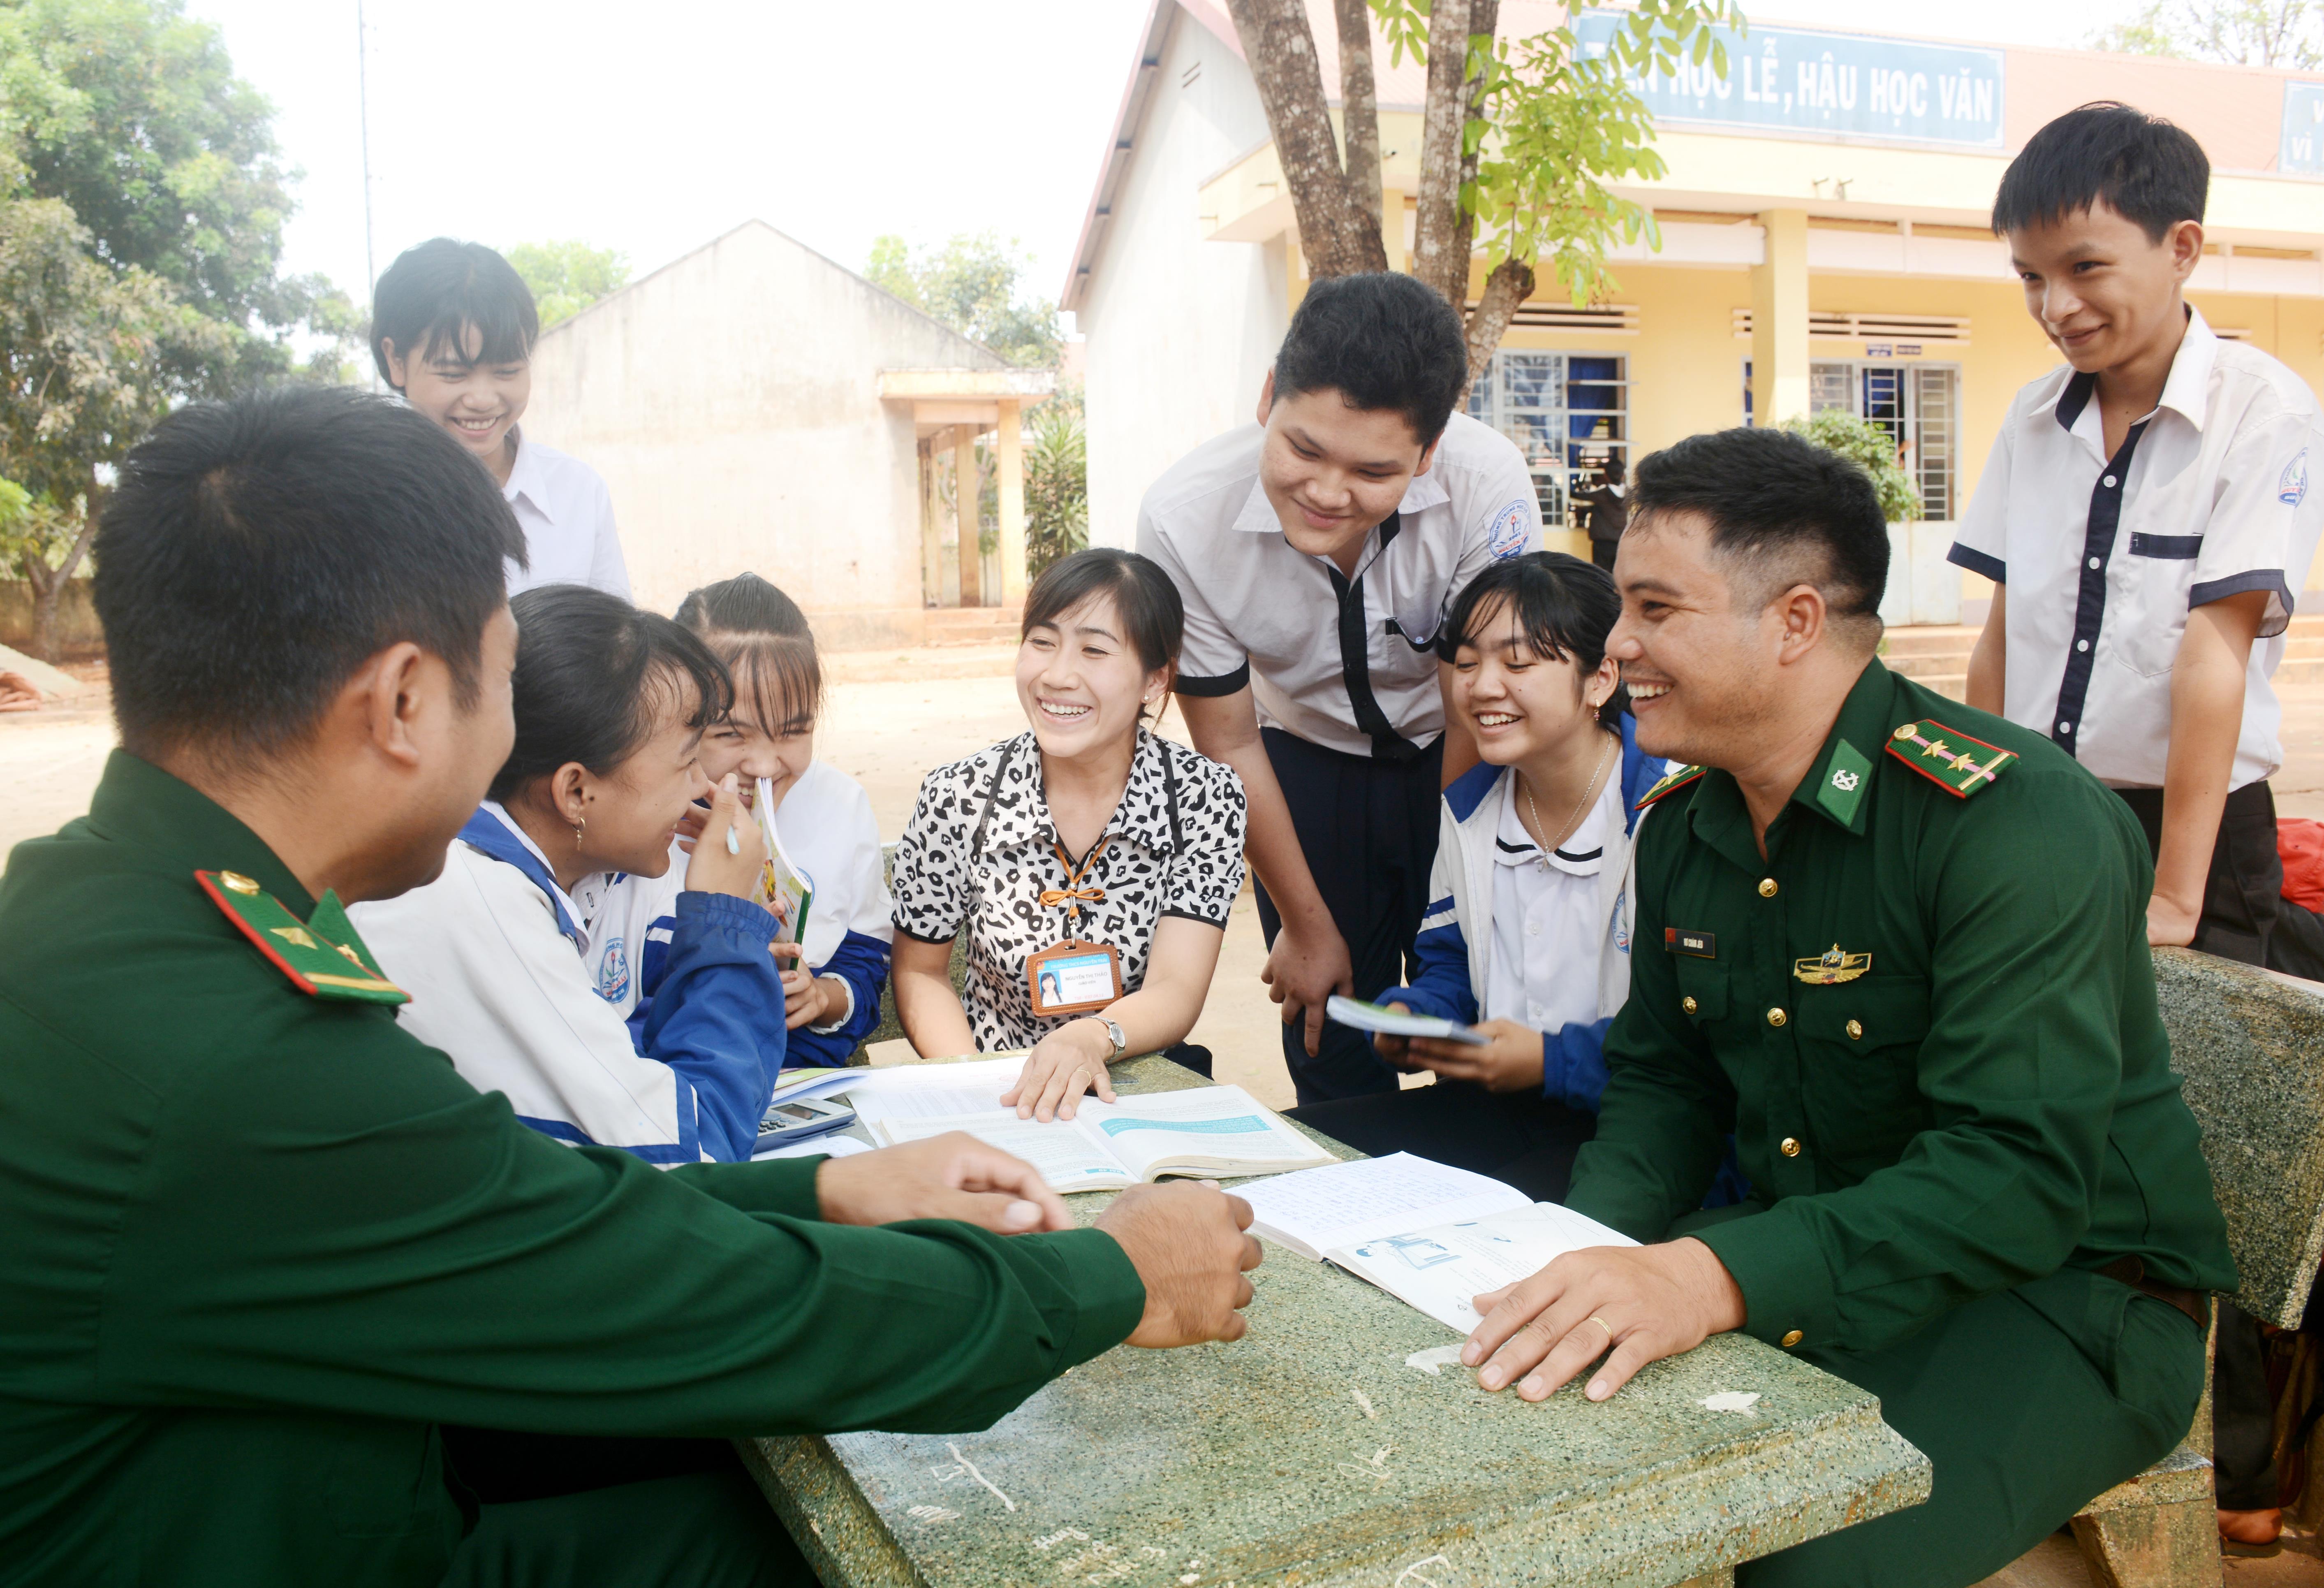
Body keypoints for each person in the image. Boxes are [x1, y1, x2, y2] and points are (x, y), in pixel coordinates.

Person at [0, 385, 1266, 1588]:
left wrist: (827, 1185)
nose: (519, 729)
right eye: (502, 681)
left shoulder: (106, 913)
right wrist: (1108, 1281)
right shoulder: (234, 1056)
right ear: (399, 702)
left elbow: (515, 1209)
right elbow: (683, 1304)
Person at [1457, 427, 2234, 1588]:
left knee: (1794, 1550)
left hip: (2069, 1298)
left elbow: (2011, 1180)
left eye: (1655, 609)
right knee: (1534, 1458)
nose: (1616, 645)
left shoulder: (2013, 822)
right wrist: (1593, 1253)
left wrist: (1702, 1277)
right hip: (1831, 1260)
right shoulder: (1686, 824)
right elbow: (1665, 1084)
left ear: (1796, 622)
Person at [1952, 102, 2324, 1546]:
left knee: (2206, 1139)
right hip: (2036, 812)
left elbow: (2213, 656)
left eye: (2086, 268)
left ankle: (2237, 1472)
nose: (2057, 306)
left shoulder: (2263, 406)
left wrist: (2172, 897)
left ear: (2182, 248)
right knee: (2034, 1105)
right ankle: (2051, 1409)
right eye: (2031, 278)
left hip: (2191, 823)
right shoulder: (2029, 422)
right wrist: (1970, 803)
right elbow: (1996, 639)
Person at [1139, 271, 1542, 1105]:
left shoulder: (1484, 485)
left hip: (1458, 746)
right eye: (1303, 449)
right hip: (1299, 763)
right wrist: (1307, 927)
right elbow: (1229, 742)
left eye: (1372, 470)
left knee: (1471, 1011)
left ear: (1428, 453)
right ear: (1267, 399)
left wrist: (1449, 898)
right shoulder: (1183, 518)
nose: (1326, 493)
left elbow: (1481, 698)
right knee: (1330, 1027)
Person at [352, 584, 787, 1163]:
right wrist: (724, 925)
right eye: (686, 762)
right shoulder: (476, 900)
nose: (703, 791)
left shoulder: (523, 867)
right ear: (576, 791)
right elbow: (695, 1155)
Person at [1286, 553, 1669, 1202]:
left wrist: (1549, 1062)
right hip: (1498, 1110)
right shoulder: (1470, 808)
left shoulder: (1666, 809)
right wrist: (1416, 1016)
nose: (1483, 686)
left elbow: (1685, 1038)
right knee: (1295, 1161)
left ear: (1602, 678)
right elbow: (1451, 963)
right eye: (1466, 663)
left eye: (1517, 664)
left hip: (1639, 1128)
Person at [891, 548, 1248, 1121]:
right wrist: (976, 1090)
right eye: (1042, 641)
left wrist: (1091, 1037)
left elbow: (1178, 986)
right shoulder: (958, 795)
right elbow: (920, 971)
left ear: (1156, 679)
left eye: (1094, 650)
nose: (1057, 675)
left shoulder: (1205, 797)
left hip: (1137, 1084)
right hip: (996, 1089)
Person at [668, 572, 893, 1067]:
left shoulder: (842, 805)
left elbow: (866, 960)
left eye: (793, 732)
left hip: (803, 1081)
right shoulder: (643, 828)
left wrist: (821, 998)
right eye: (730, 734)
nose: (766, 766)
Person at [370, 236, 631, 599]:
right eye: (453, 374)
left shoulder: (578, 493)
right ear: (396, 361)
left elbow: (617, 642)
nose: (482, 399)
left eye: (507, 371)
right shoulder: (357, 501)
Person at [1576, 457, 1629, 572]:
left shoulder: (1602, 495)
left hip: (1601, 543)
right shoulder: (1629, 494)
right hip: (1620, 542)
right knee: (1617, 574)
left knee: (1601, 575)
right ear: (1623, 475)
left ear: (1605, 475)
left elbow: (1578, 495)